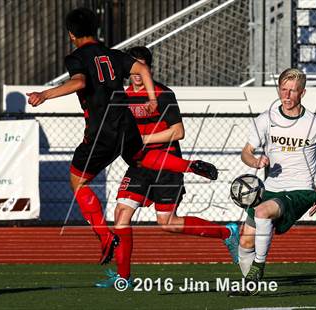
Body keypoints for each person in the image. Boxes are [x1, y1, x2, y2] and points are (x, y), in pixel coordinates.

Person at [26, 8, 218, 266]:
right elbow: (140, 67)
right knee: (142, 158)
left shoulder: (76, 57)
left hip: (101, 131)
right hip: (125, 125)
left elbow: (79, 83)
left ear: (71, 34)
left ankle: (105, 236)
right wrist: (151, 99)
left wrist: (45, 95)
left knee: (78, 183)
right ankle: (189, 166)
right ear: (95, 29)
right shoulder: (115, 55)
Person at [95, 46, 240, 288]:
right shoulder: (121, 96)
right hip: (140, 166)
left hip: (167, 164)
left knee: (167, 223)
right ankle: (124, 278)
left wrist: (142, 140)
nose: (137, 75)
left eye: (142, 69)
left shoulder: (163, 94)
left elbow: (178, 131)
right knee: (121, 214)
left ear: (150, 69)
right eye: (133, 69)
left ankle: (227, 233)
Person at [230, 68, 316, 296]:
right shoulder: (265, 120)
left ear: (302, 93)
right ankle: (250, 286)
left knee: (263, 212)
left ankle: (259, 267)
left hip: (301, 190)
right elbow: (246, 152)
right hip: (271, 188)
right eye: (283, 89)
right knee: (245, 242)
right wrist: (254, 161)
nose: (286, 95)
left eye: (292, 91)